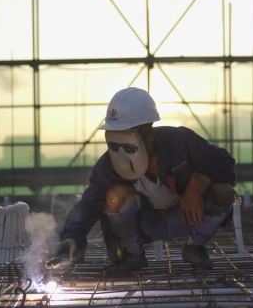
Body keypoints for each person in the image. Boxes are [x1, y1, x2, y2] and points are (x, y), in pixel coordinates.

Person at [47, 88, 236, 276]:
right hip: (145, 224)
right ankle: (133, 255)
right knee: (115, 196)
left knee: (224, 192)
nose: (120, 153)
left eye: (128, 142)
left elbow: (225, 164)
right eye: (114, 142)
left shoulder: (179, 141)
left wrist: (197, 185)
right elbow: (89, 203)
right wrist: (71, 238)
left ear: (149, 135)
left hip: (186, 217)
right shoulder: (108, 165)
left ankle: (195, 247)